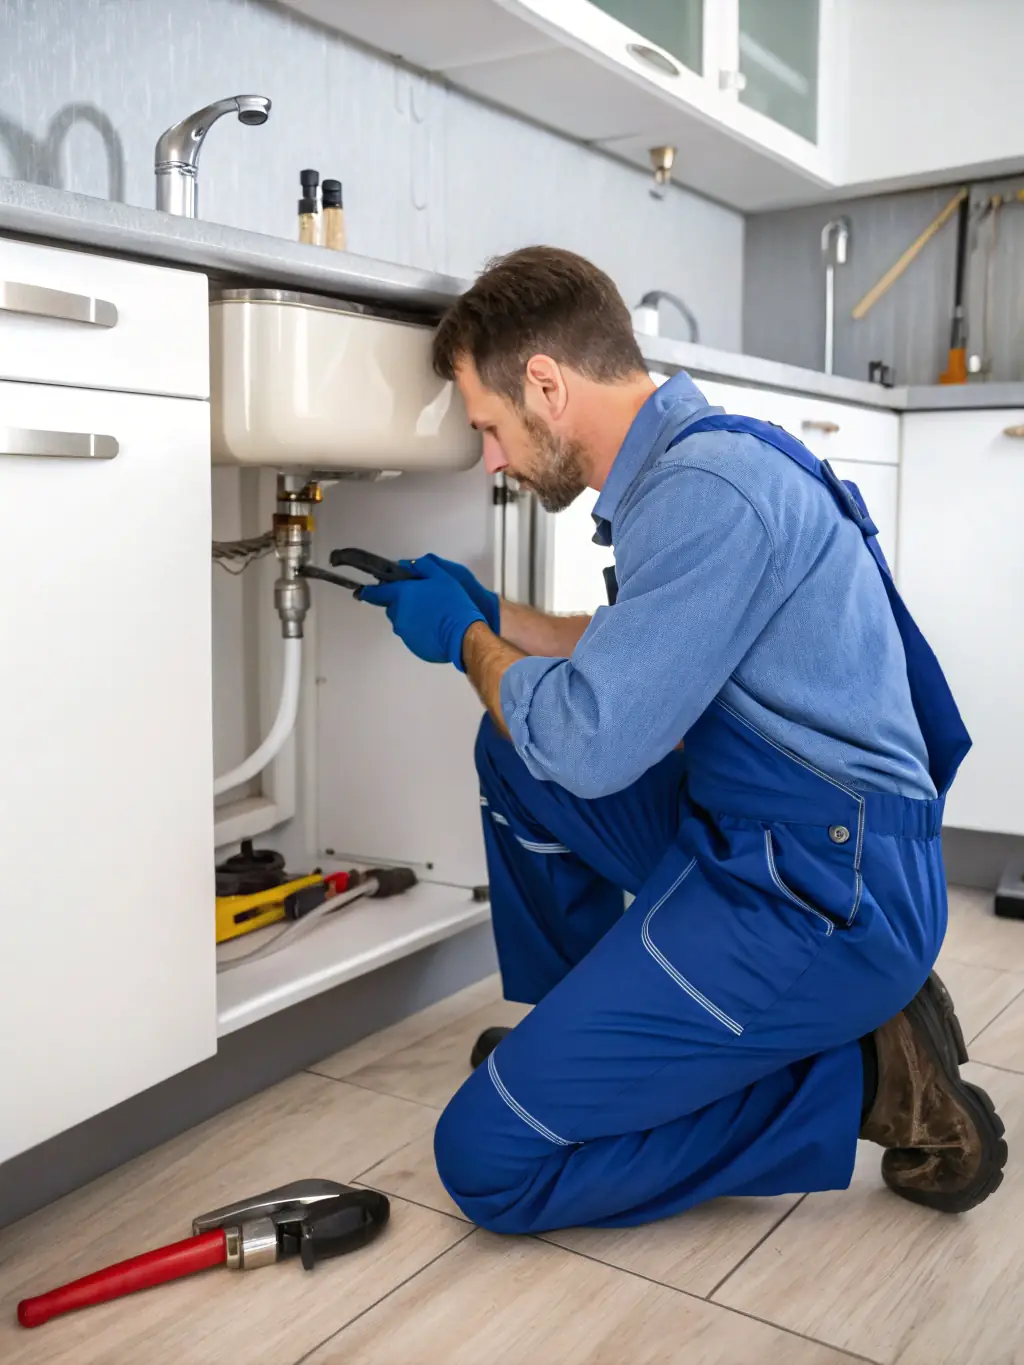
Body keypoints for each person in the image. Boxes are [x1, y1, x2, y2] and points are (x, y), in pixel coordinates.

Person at [358, 245, 1007, 1234]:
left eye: (488, 427)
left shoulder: (706, 495)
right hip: (772, 838)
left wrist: (466, 645)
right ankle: (607, 1045)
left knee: (486, 1162)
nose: (488, 456)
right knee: (511, 754)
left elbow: (586, 738)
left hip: (824, 894)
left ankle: (862, 1077)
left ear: (545, 383)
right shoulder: (694, 464)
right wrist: (494, 610)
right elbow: (634, 658)